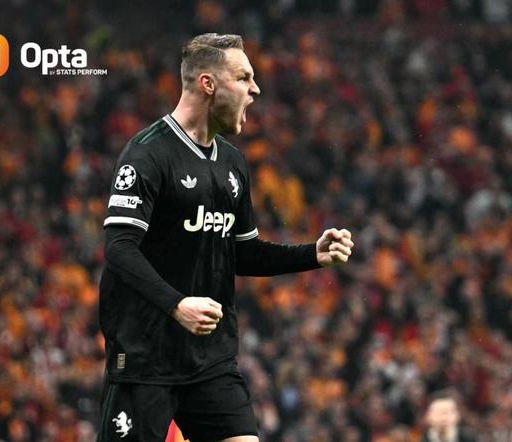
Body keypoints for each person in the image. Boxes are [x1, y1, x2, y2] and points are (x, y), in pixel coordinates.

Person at [97, 33, 354, 442]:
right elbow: (119, 249)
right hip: (146, 357)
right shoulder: (147, 154)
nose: (256, 89)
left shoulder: (232, 164)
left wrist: (312, 254)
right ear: (208, 84)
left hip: (210, 361)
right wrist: (177, 305)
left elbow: (243, 253)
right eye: (244, 77)